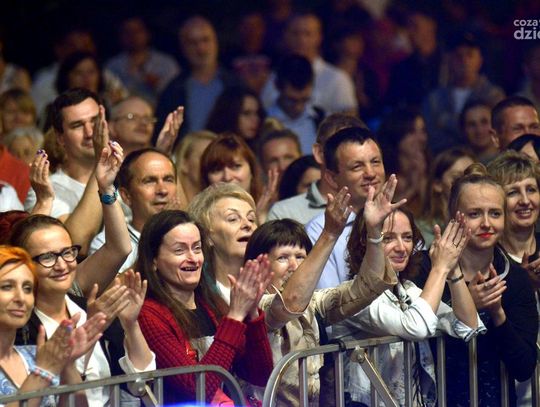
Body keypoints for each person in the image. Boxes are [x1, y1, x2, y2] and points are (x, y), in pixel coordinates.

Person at [244, 180, 402, 405]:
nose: (295, 266)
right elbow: (290, 303)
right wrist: (329, 233)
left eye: (301, 257)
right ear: (258, 265)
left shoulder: (313, 303)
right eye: (283, 258)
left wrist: (374, 233)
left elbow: (367, 286)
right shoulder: (254, 306)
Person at [415, 164, 539, 406]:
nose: (486, 223)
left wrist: (497, 314)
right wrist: (466, 306)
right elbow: (415, 334)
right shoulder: (425, 268)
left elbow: (524, 367)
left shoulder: (515, 277)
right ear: (454, 217)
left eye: (495, 213)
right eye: (474, 214)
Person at [335, 208, 482, 406]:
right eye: (388, 238)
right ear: (365, 242)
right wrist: (440, 268)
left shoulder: (408, 290)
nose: (401, 247)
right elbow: (417, 327)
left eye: (407, 237)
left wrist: (452, 268)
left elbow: (468, 325)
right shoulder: (352, 295)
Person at [10, 212, 155, 406]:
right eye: (47, 257)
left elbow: (141, 384)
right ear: (24, 265)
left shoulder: (90, 308)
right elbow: (49, 398)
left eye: (67, 252)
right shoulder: (19, 326)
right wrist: (88, 336)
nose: (62, 265)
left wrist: (130, 324)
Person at [135, 209, 273, 405]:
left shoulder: (212, 303)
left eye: (197, 248)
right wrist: (235, 316)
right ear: (153, 261)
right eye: (180, 250)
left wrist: (251, 313)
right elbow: (197, 389)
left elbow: (260, 375)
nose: (193, 258)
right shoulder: (149, 315)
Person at [0, 245, 107, 407]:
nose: (21, 298)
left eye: (27, 288)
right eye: (7, 287)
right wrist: (42, 373)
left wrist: (68, 364)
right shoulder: (44, 362)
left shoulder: (35, 354)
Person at [306, 126, 385, 288]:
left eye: (375, 162)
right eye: (357, 167)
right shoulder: (319, 230)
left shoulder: (401, 220)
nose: (370, 173)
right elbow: (329, 298)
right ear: (332, 178)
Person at [89, 148, 179, 273]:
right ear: (126, 196)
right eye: (150, 181)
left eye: (168, 180)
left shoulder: (192, 236)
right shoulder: (106, 243)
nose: (163, 190)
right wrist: (159, 233)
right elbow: (112, 286)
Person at [268, 113, 365, 224]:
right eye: (340, 147)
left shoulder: (377, 206)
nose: (352, 156)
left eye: (359, 149)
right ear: (319, 153)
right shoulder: (285, 214)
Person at [156, 16, 240, 134]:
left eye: (205, 40)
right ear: (183, 48)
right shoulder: (173, 91)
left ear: (216, 42)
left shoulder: (236, 85)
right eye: (192, 43)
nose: (201, 48)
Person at [423, 32, 505, 154]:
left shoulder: (494, 95)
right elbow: (432, 139)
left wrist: (445, 122)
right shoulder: (434, 99)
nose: (464, 61)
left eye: (470, 55)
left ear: (480, 60)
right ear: (448, 60)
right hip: (447, 160)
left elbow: (498, 134)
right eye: (458, 56)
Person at [261, 12, 357, 115]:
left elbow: (349, 120)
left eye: (308, 34)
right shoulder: (272, 77)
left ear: (319, 37)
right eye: (295, 33)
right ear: (285, 36)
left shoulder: (338, 79)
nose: (301, 40)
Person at [188, 183, 259, 303]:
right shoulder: (195, 295)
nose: (247, 224)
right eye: (233, 219)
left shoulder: (269, 285)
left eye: (251, 219)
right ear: (206, 235)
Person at [199, 133, 277, 223]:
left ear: (251, 170)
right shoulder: (196, 223)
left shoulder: (276, 212)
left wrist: (261, 218)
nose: (227, 177)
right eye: (217, 169)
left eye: (235, 166)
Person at [106, 16, 180, 104]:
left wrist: (156, 84)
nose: (132, 36)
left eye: (137, 31)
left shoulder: (166, 63)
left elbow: (176, 94)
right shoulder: (112, 66)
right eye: (127, 32)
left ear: (147, 34)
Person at [265, 54, 324, 153]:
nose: (298, 108)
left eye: (304, 100)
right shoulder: (262, 122)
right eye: (291, 100)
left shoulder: (321, 119)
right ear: (277, 85)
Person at [417, 147, 475, 247]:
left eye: (473, 178)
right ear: (438, 184)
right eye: (457, 178)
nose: (467, 184)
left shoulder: (483, 224)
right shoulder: (421, 231)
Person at [377, 108, 429, 217]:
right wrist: (412, 188)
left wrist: (422, 178)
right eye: (411, 132)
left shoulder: (430, 169)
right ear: (397, 135)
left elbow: (430, 211)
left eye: (423, 131)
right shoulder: (383, 177)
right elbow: (382, 214)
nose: (421, 138)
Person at [109, 96, 184, 156]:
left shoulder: (158, 160)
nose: (143, 123)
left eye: (147, 119)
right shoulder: (104, 165)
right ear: (112, 127)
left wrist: (162, 152)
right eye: (133, 117)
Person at [172, 130, 217, 203]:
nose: (210, 164)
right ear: (184, 163)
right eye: (204, 157)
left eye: (216, 161)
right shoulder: (168, 204)